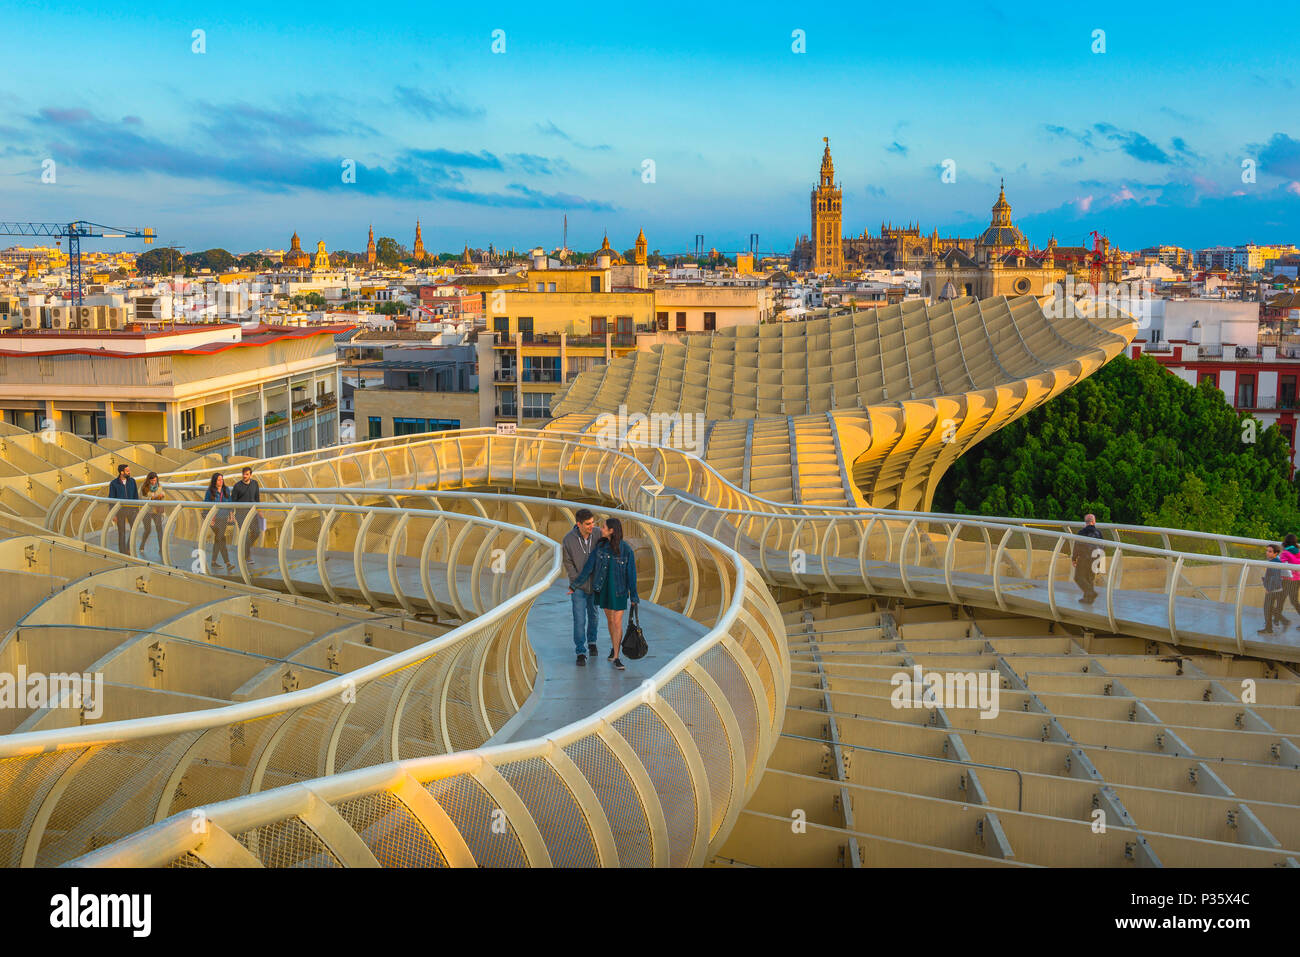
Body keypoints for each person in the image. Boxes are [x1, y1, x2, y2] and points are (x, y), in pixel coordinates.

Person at [570, 517, 639, 671]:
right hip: (604, 590)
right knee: (610, 621)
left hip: (620, 591)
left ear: (611, 531)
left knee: (616, 622)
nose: (601, 529)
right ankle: (614, 648)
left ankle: (616, 656)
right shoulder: (600, 547)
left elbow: (631, 574)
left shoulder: (626, 549)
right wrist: (575, 585)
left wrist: (634, 596)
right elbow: (589, 568)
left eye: (604, 527)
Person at [562, 508, 599, 666]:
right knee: (579, 620)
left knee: (594, 616)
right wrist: (577, 581)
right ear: (579, 524)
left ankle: (592, 642)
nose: (592, 526)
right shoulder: (568, 539)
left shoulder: (597, 534)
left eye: (593, 522)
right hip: (578, 587)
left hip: (596, 585)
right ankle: (580, 651)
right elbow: (568, 562)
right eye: (588, 524)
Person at [231, 466, 262, 565]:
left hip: (252, 512)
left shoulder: (255, 484)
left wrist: (259, 511)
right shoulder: (237, 486)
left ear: (250, 475)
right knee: (246, 535)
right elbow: (232, 501)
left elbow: (257, 498)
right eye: (243, 474)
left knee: (257, 532)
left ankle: (245, 548)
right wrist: (231, 514)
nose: (244, 476)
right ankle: (247, 556)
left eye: (247, 474)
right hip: (241, 514)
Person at [1071, 513, 1104, 604]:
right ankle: (1088, 599)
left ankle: (1090, 593)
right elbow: (1102, 547)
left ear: (1085, 522)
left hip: (1084, 559)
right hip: (1095, 558)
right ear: (1094, 522)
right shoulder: (1099, 533)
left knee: (1078, 577)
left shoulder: (1081, 532)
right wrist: (1100, 563)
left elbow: (1077, 546)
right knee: (1089, 579)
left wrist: (1074, 558)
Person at [204, 472, 234, 572]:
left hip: (223, 518)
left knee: (219, 539)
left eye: (222, 479)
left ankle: (213, 562)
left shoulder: (226, 490)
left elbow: (230, 503)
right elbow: (206, 506)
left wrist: (231, 515)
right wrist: (209, 518)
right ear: (214, 481)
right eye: (218, 480)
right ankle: (228, 563)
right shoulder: (210, 492)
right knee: (221, 538)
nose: (221, 481)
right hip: (214, 519)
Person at [107, 463, 139, 554]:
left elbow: (136, 496)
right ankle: (122, 552)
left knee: (134, 529)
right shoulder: (114, 483)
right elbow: (111, 499)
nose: (129, 472)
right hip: (120, 512)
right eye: (127, 471)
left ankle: (128, 548)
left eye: (129, 470)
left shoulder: (132, 481)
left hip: (132, 510)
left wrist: (137, 510)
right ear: (121, 472)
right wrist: (113, 514)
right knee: (122, 533)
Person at [1259, 544, 1287, 635]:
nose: (1267, 553)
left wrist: (1269, 589)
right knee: (1269, 608)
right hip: (1276, 589)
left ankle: (1269, 629)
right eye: (1267, 550)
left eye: (1270, 551)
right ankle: (1281, 622)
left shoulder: (1274, 563)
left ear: (1276, 553)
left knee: (1267, 608)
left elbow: (1275, 577)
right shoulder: (1274, 561)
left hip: (1273, 590)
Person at [138, 472, 165, 557]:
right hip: (147, 512)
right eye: (152, 480)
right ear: (148, 480)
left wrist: (161, 496)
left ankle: (161, 548)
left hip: (156, 511)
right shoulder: (144, 487)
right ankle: (142, 546)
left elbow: (162, 495)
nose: (154, 482)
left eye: (155, 480)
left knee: (159, 530)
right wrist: (151, 498)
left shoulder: (159, 486)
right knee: (148, 530)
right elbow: (141, 498)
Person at [1278, 534, 1300, 626]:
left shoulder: (1285, 553)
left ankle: (1279, 620)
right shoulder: (1299, 551)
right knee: (1293, 600)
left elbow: (1282, 565)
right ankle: (1279, 620)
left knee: (1281, 599)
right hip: (1297, 579)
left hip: (1288, 579)